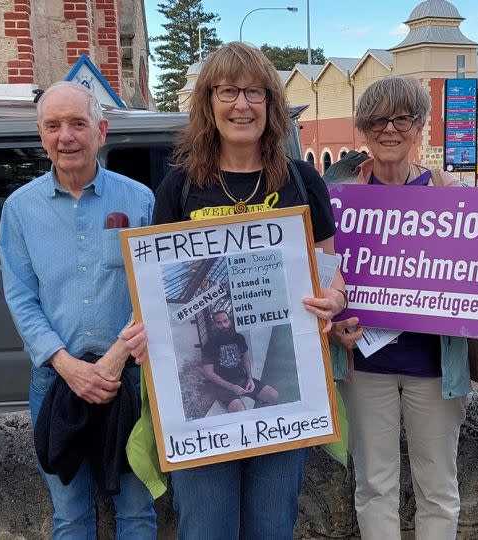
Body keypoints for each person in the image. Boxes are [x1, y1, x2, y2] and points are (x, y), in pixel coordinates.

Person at [134, 42, 346, 539]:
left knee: (272, 529)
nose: (241, 105)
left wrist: (334, 299)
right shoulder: (179, 187)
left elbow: (328, 271)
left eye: (254, 92)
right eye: (228, 91)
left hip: (290, 394)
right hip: (199, 426)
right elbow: (154, 287)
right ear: (209, 103)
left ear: (270, 104)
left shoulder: (303, 180)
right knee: (205, 529)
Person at [0, 81, 157, 538]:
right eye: (53, 126)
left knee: (136, 511)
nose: (65, 136)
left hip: (127, 376)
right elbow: (21, 297)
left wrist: (114, 359)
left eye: (77, 124)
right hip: (54, 380)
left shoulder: (139, 200)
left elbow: (151, 288)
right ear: (41, 134)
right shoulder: (20, 208)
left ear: (101, 131)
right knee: (69, 514)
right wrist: (66, 364)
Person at [328, 75, 470, 540]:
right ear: (363, 131)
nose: (389, 130)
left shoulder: (455, 195)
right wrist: (332, 325)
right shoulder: (338, 200)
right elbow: (321, 277)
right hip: (366, 366)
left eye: (401, 119)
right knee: (374, 486)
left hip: (435, 365)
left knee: (439, 491)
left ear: (419, 126)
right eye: (376, 121)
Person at [201, 310, 279, 413]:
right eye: (219, 323)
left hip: (241, 379)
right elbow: (208, 373)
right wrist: (231, 386)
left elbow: (245, 359)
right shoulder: (210, 345)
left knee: (274, 396)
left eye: (225, 321)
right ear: (215, 325)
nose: (223, 325)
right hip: (222, 386)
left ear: (230, 321)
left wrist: (250, 378)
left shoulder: (239, 338)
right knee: (240, 411)